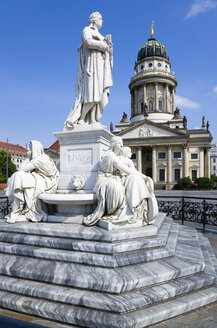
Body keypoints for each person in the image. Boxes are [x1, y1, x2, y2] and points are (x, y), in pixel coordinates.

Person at [84, 137, 158, 226]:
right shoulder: (109, 155)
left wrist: (145, 177)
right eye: (120, 143)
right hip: (105, 180)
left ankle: (136, 210)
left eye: (122, 143)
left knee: (135, 179)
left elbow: (131, 170)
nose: (122, 146)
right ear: (114, 145)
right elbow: (127, 170)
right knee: (117, 188)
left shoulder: (117, 157)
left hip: (117, 178)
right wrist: (144, 177)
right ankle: (116, 212)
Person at [65, 12, 113, 127]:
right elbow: (88, 42)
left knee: (99, 95)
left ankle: (92, 120)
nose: (102, 21)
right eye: (100, 19)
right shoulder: (87, 30)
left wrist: (109, 47)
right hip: (92, 66)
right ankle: (81, 118)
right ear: (94, 20)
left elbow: (108, 54)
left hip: (101, 67)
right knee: (91, 95)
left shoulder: (101, 36)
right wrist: (103, 45)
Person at [5, 140, 59, 223]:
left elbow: (21, 169)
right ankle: (19, 208)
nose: (29, 151)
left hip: (46, 181)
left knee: (18, 176)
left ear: (35, 149)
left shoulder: (38, 159)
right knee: (19, 177)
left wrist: (27, 157)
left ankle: (18, 209)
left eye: (31, 149)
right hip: (44, 179)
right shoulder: (44, 157)